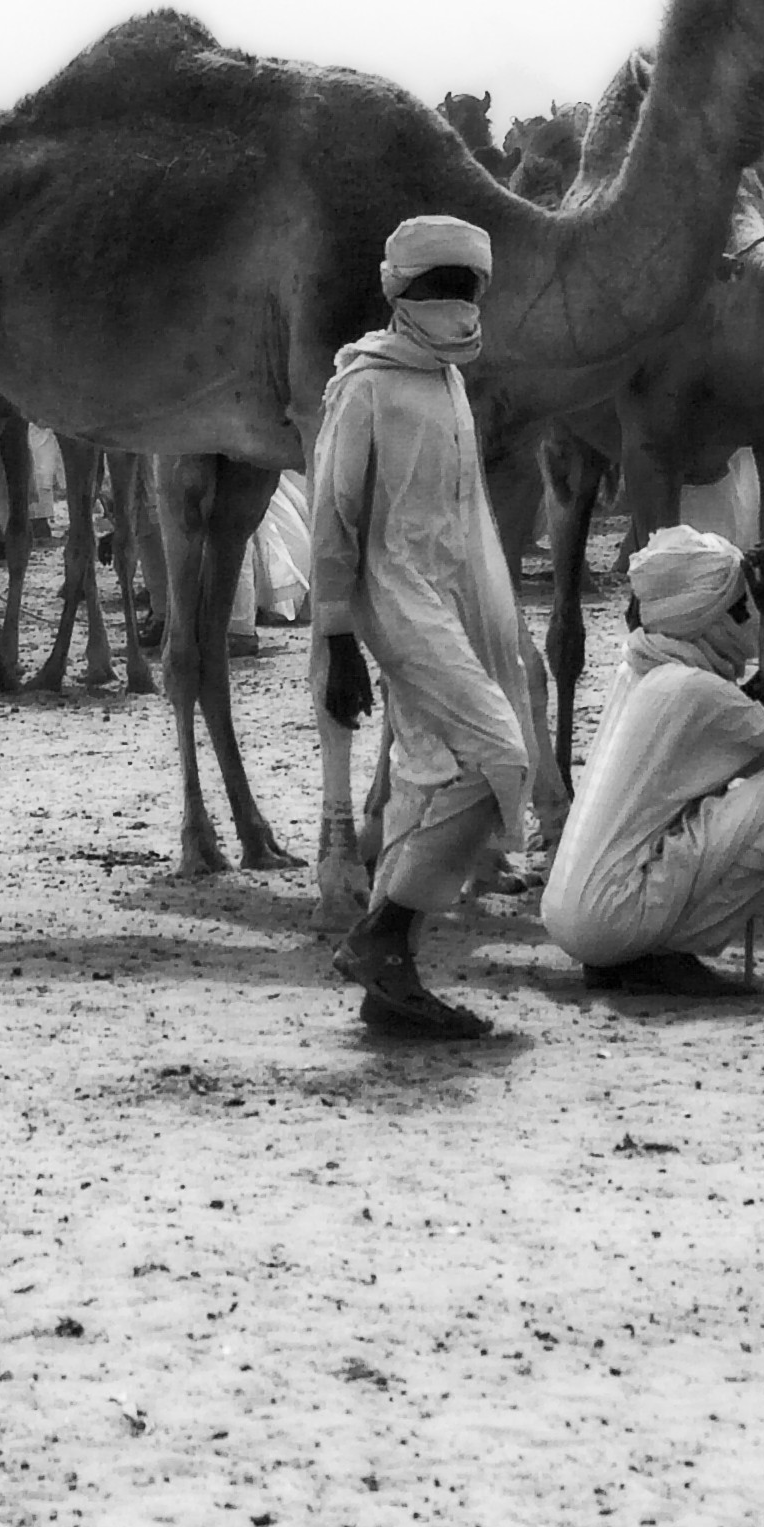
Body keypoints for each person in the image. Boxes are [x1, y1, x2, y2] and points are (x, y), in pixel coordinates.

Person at [310, 214, 551, 1040]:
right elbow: (334, 517)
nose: (456, 302)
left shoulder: (449, 381)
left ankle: (393, 983)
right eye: (439, 286)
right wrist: (336, 635)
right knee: (502, 752)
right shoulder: (365, 386)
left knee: (425, 776)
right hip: (395, 596)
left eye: (466, 287)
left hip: (453, 598)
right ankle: (381, 935)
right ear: (400, 292)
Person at [541, 526, 764, 994]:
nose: (750, 621)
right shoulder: (697, 691)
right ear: (717, 615)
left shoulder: (639, 668)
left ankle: (626, 952)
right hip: (609, 919)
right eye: (744, 608)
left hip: (571, 917)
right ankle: (666, 953)